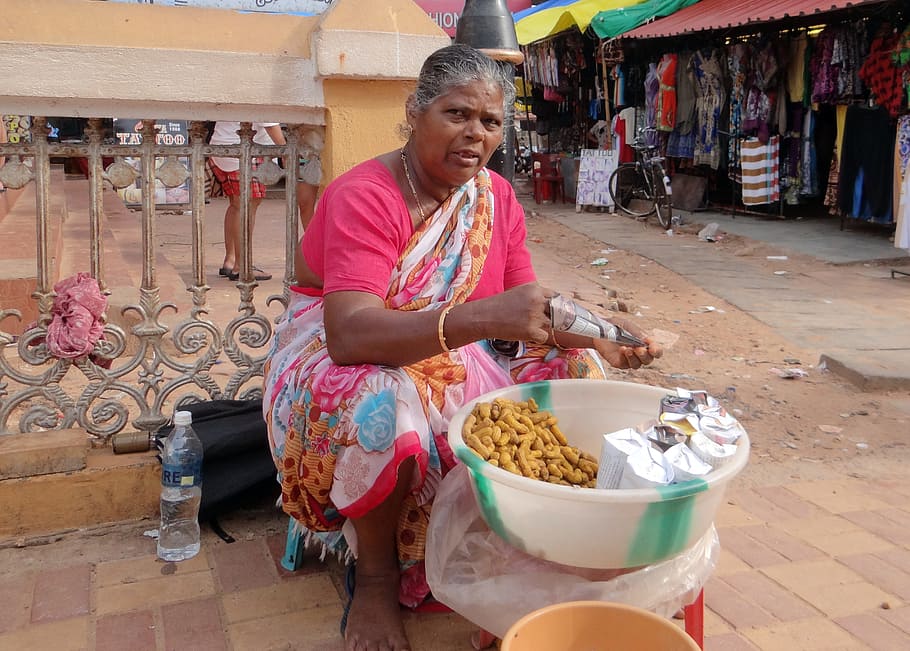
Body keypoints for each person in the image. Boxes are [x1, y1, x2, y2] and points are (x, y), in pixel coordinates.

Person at [263, 44, 661, 651]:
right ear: (415, 112)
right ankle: (375, 578)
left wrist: (609, 334)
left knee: (577, 366)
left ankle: (538, 538)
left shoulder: (494, 197)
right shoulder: (367, 194)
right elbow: (350, 335)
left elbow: (530, 307)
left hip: (451, 341)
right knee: (382, 399)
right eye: (457, 115)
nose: (475, 134)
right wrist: (476, 319)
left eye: (492, 122)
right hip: (338, 347)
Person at [209, 121, 283, 281]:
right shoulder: (262, 94)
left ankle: (231, 260)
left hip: (221, 145)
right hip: (246, 151)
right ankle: (242, 265)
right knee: (247, 207)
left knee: (236, 205)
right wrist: (286, 151)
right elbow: (269, 121)